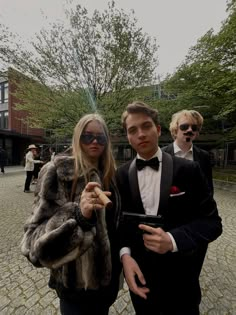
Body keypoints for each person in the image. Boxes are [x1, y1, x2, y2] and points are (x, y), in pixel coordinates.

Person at [115, 101, 222, 315]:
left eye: (146, 126)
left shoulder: (189, 170)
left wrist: (172, 240)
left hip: (181, 278)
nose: (140, 134)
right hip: (141, 279)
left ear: (158, 129)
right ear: (127, 136)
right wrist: (125, 256)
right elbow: (119, 225)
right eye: (132, 130)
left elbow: (212, 223)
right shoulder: (121, 175)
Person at [21, 113, 122, 315]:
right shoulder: (55, 171)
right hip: (76, 289)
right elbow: (32, 245)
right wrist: (78, 215)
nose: (95, 141)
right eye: (87, 136)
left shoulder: (111, 174)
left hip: (107, 285)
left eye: (100, 137)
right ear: (77, 137)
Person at [162, 109, 214, 193]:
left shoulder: (204, 156)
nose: (190, 130)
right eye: (184, 127)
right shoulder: (162, 154)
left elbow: (208, 189)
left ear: (197, 132)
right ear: (175, 129)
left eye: (194, 127)